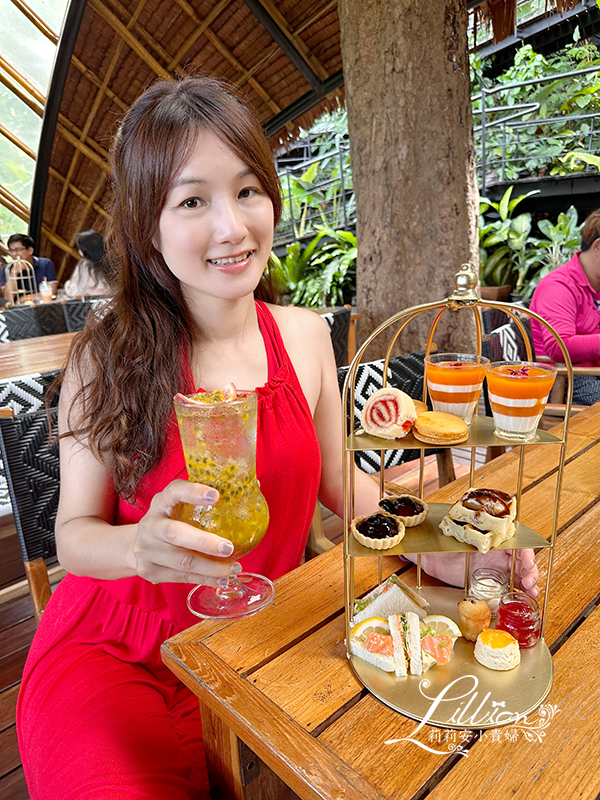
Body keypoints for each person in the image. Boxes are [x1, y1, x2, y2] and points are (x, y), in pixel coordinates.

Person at [16, 77, 538, 800]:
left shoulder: (304, 336)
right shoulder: (107, 358)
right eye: (193, 200)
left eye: (248, 190)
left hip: (267, 639)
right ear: (147, 224)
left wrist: (453, 552)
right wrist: (140, 545)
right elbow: (73, 535)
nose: (233, 228)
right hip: (118, 649)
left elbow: (347, 492)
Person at [530, 208, 600, 405]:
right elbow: (558, 346)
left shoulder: (595, 285)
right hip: (565, 379)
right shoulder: (559, 287)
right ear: (598, 246)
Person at [1, 233, 58, 301]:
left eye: (18, 250)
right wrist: (14, 273)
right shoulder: (7, 269)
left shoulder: (45, 264)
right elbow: (7, 299)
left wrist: (26, 298)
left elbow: (52, 291)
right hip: (18, 309)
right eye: (11, 251)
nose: (14, 254)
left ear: (30, 250)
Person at [64, 229, 113, 297]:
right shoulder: (112, 261)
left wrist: (67, 284)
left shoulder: (85, 265)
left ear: (85, 250)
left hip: (94, 304)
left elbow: (74, 291)